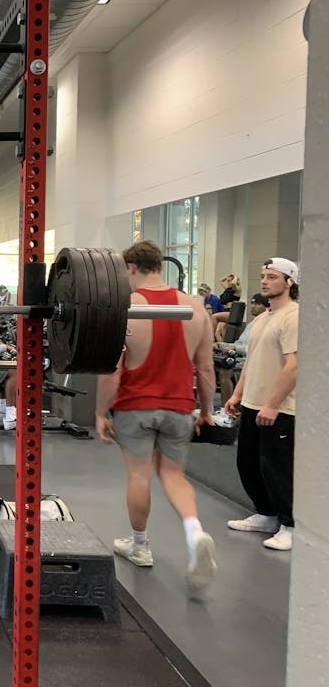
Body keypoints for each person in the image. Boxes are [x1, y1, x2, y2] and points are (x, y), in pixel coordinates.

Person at [95, 240, 218, 595]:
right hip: (180, 407)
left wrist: (101, 412)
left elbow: (111, 372)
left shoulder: (127, 309)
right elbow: (206, 369)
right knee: (174, 476)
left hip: (136, 406)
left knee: (139, 474)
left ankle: (139, 544)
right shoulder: (196, 309)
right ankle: (195, 535)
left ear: (131, 268)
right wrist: (206, 411)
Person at [225, 258, 299, 551]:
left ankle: (290, 525)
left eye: (272, 276)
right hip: (254, 403)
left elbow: (294, 366)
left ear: (289, 282)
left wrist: (272, 404)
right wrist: (236, 395)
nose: (264, 281)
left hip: (279, 408)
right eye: (262, 276)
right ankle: (267, 515)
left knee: (277, 468)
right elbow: (251, 363)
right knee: (249, 464)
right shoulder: (261, 319)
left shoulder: (294, 316)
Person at [213, 293, 269, 404]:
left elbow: (253, 348)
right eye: (252, 303)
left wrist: (234, 347)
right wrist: (220, 345)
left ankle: (226, 410)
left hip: (251, 360)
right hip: (241, 356)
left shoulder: (266, 325)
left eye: (257, 304)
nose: (253, 306)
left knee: (226, 371)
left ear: (266, 307)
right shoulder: (252, 324)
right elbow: (239, 343)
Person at [211, 274, 242, 341]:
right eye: (227, 281)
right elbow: (221, 281)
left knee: (214, 316)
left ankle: (210, 337)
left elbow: (234, 283)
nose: (228, 282)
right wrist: (228, 276)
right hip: (226, 311)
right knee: (218, 333)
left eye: (230, 281)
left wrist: (235, 276)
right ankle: (221, 346)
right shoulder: (228, 289)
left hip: (232, 312)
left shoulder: (237, 289)